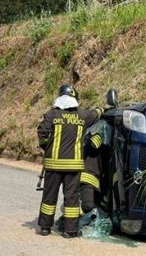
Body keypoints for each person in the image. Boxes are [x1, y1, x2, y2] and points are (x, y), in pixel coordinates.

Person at [37, 84, 102, 238]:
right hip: (73, 166)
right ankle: (70, 231)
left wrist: (47, 146)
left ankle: (45, 227)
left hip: (53, 164)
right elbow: (97, 114)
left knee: (49, 197)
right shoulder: (83, 115)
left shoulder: (52, 115)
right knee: (71, 198)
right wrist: (104, 107)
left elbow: (42, 133)